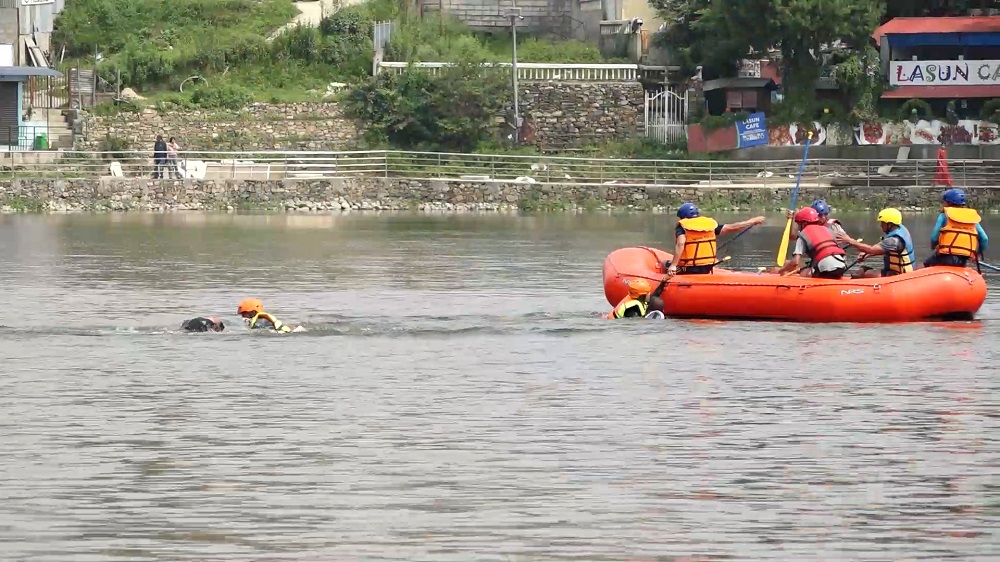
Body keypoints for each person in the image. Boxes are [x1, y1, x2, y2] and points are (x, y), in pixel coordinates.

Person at [667, 202, 765, 276]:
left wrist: (673, 265)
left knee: (665, 264)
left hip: (689, 268)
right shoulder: (709, 225)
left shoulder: (682, 226)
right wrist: (751, 221)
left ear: (682, 217)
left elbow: (680, 244)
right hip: (707, 266)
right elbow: (731, 227)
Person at [837, 208, 914, 278]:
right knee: (863, 269)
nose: (881, 226)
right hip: (894, 272)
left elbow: (871, 249)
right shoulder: (900, 229)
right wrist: (866, 254)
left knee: (863, 274)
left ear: (890, 224)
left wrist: (850, 240)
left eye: (883, 223)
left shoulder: (894, 240)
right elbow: (884, 249)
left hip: (899, 275)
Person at [774, 207, 847, 279]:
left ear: (804, 223)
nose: (799, 227)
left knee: (803, 273)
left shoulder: (803, 235)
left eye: (799, 224)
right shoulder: (826, 229)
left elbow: (795, 262)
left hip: (826, 270)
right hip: (842, 266)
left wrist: (782, 270)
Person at [924, 188, 988, 268]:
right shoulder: (971, 218)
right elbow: (984, 238)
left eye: (944, 202)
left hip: (945, 257)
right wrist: (978, 254)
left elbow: (934, 237)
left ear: (949, 203)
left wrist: (933, 247)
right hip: (963, 258)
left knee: (925, 265)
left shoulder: (944, 216)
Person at [237, 298, 304, 333]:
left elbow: (263, 331)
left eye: (244, 314)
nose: (243, 317)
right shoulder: (261, 320)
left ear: (253, 312)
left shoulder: (260, 322)